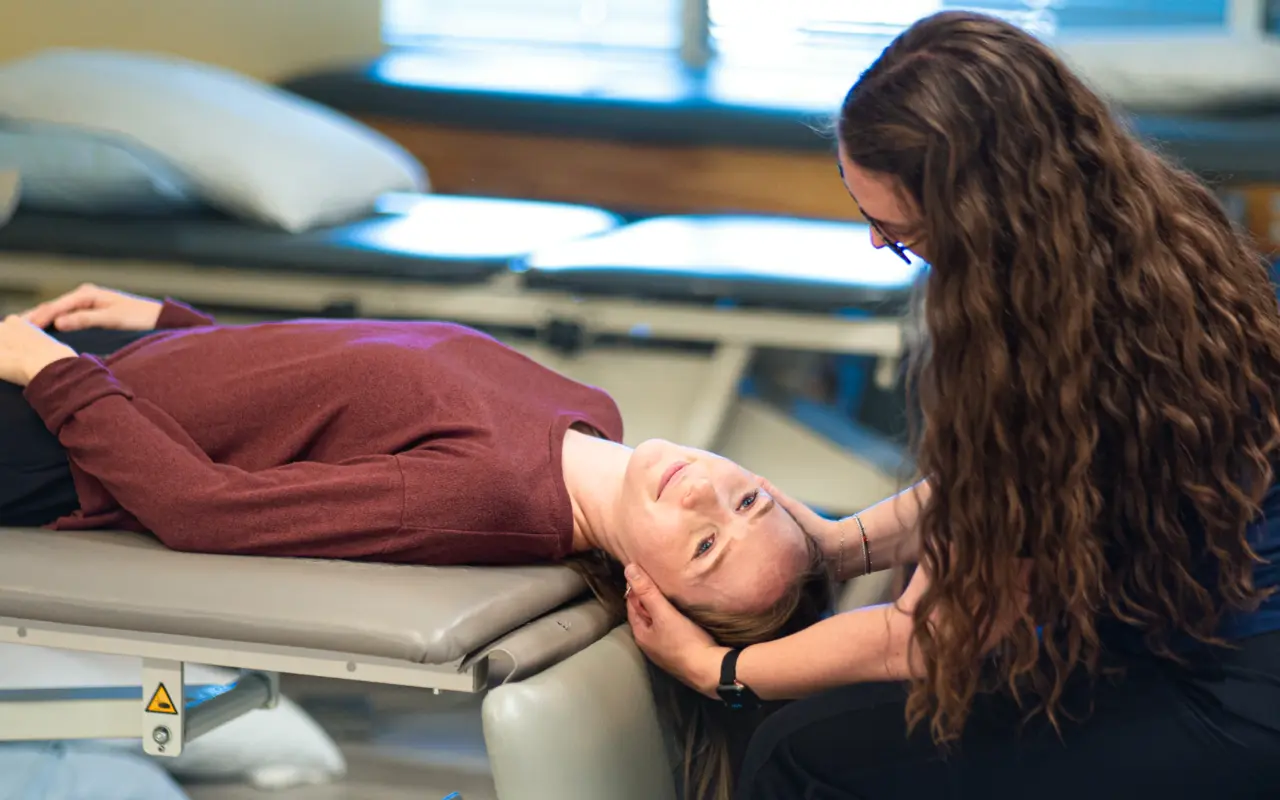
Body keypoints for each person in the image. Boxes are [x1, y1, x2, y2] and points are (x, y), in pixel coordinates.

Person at [624, 10, 1280, 800]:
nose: (878, 245)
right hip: (1201, 639)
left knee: (798, 752)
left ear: (978, 221)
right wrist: (841, 546)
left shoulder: (1052, 350)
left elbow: (931, 639)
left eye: (898, 232)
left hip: (1235, 701)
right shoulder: (1156, 235)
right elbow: (1014, 489)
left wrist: (719, 669)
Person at [0, 283, 835, 798]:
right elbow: (335, 389)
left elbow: (205, 506)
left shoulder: (483, 495)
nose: (704, 501)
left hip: (55, 435)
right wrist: (172, 326)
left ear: (646, 591)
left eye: (702, 549)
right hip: (120, 368)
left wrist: (52, 373)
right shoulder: (593, 413)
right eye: (749, 502)